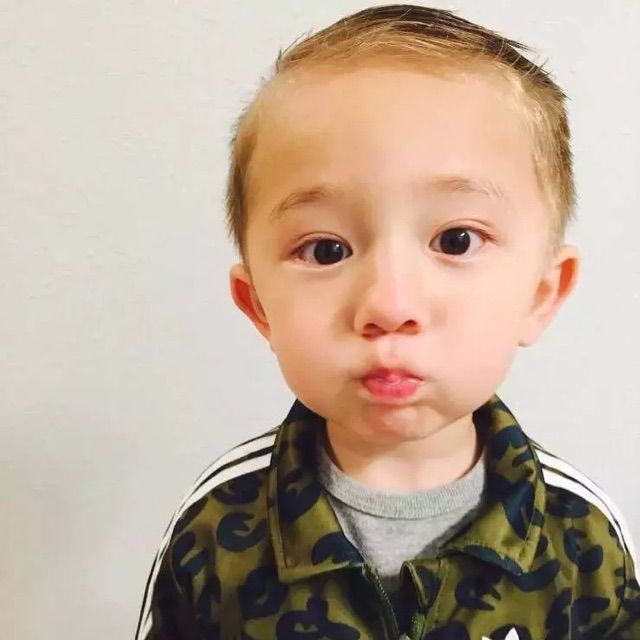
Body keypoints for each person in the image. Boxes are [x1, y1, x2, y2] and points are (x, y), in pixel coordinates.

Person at [135, 5, 639, 639]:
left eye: (456, 240)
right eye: (326, 250)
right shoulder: (215, 528)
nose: (389, 305)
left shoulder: (580, 533)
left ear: (541, 294)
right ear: (258, 304)